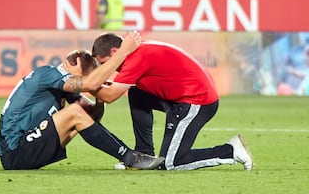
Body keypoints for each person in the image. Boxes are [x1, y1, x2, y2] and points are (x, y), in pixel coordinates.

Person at [0, 32, 165, 170]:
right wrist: (122, 52)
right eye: (88, 75)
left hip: (28, 149)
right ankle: (131, 158)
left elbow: (91, 117)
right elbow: (90, 84)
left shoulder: (60, 85)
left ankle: (131, 156)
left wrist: (100, 99)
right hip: (15, 153)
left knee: (78, 112)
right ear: (76, 64)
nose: (89, 81)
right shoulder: (48, 74)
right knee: (74, 112)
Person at [91, 32, 254, 171]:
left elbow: (110, 96)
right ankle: (143, 155)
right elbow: (115, 88)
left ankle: (229, 151)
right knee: (136, 93)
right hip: (184, 97)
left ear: (114, 52)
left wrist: (83, 83)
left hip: (197, 101)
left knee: (171, 162)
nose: (106, 67)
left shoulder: (136, 58)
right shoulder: (137, 53)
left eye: (104, 63)